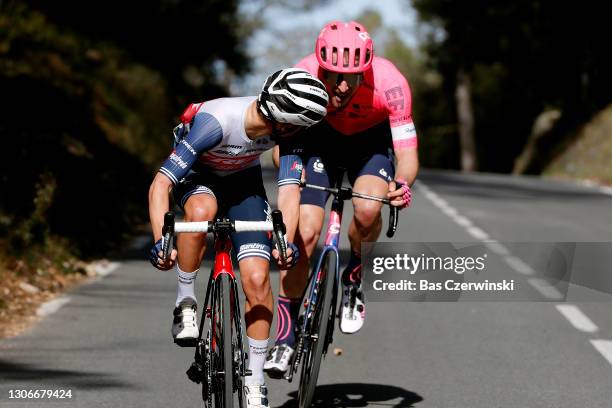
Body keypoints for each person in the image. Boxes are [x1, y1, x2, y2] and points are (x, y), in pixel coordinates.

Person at [148, 68, 328, 408]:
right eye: (303, 125)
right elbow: (161, 184)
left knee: (258, 280)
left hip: (243, 183)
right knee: (201, 211)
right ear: (286, 122)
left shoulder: (288, 134)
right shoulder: (216, 123)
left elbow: (289, 194)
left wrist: (283, 240)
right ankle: (185, 301)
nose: (304, 132)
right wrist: (161, 239)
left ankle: (255, 380)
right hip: (198, 177)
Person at [264, 21, 419, 377]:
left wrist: (402, 183)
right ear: (321, 66)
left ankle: (353, 277)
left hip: (370, 143)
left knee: (367, 209)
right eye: (333, 75)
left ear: (367, 70)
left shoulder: (391, 83)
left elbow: (407, 155)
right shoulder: (302, 75)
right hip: (319, 140)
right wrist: (293, 171)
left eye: (352, 76)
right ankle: (285, 339)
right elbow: (281, 147)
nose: (342, 85)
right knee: (303, 235)